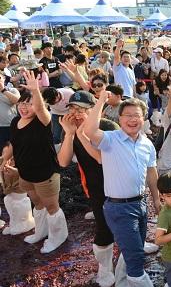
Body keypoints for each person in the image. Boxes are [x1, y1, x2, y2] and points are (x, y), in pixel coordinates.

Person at [84, 93, 161, 287]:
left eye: (137, 115)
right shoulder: (110, 139)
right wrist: (101, 100)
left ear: (143, 119)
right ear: (120, 119)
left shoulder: (147, 144)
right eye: (127, 115)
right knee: (136, 259)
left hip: (141, 204)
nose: (132, 119)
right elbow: (90, 129)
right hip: (119, 208)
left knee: (133, 251)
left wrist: (157, 200)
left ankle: (122, 282)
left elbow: (151, 173)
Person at [0, 70, 68, 253]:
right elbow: (14, 142)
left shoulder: (42, 121)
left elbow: (39, 109)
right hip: (25, 173)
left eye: (28, 104)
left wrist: (35, 91)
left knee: (52, 207)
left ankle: (58, 237)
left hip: (45, 172)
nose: (24, 107)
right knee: (37, 203)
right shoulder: (16, 121)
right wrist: (5, 158)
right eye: (22, 103)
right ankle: (41, 231)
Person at [57, 90, 118, 286]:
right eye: (73, 108)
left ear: (93, 110)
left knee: (128, 220)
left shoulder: (107, 127)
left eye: (81, 109)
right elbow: (64, 161)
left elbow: (103, 159)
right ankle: (105, 268)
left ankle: (136, 245)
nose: (75, 113)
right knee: (103, 228)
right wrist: (69, 134)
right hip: (95, 188)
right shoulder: (71, 129)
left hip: (118, 183)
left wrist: (81, 134)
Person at [0, 72, 19, 149]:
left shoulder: (12, 90)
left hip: (11, 125)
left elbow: (18, 101)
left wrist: (3, 90)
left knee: (14, 150)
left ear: (4, 79)